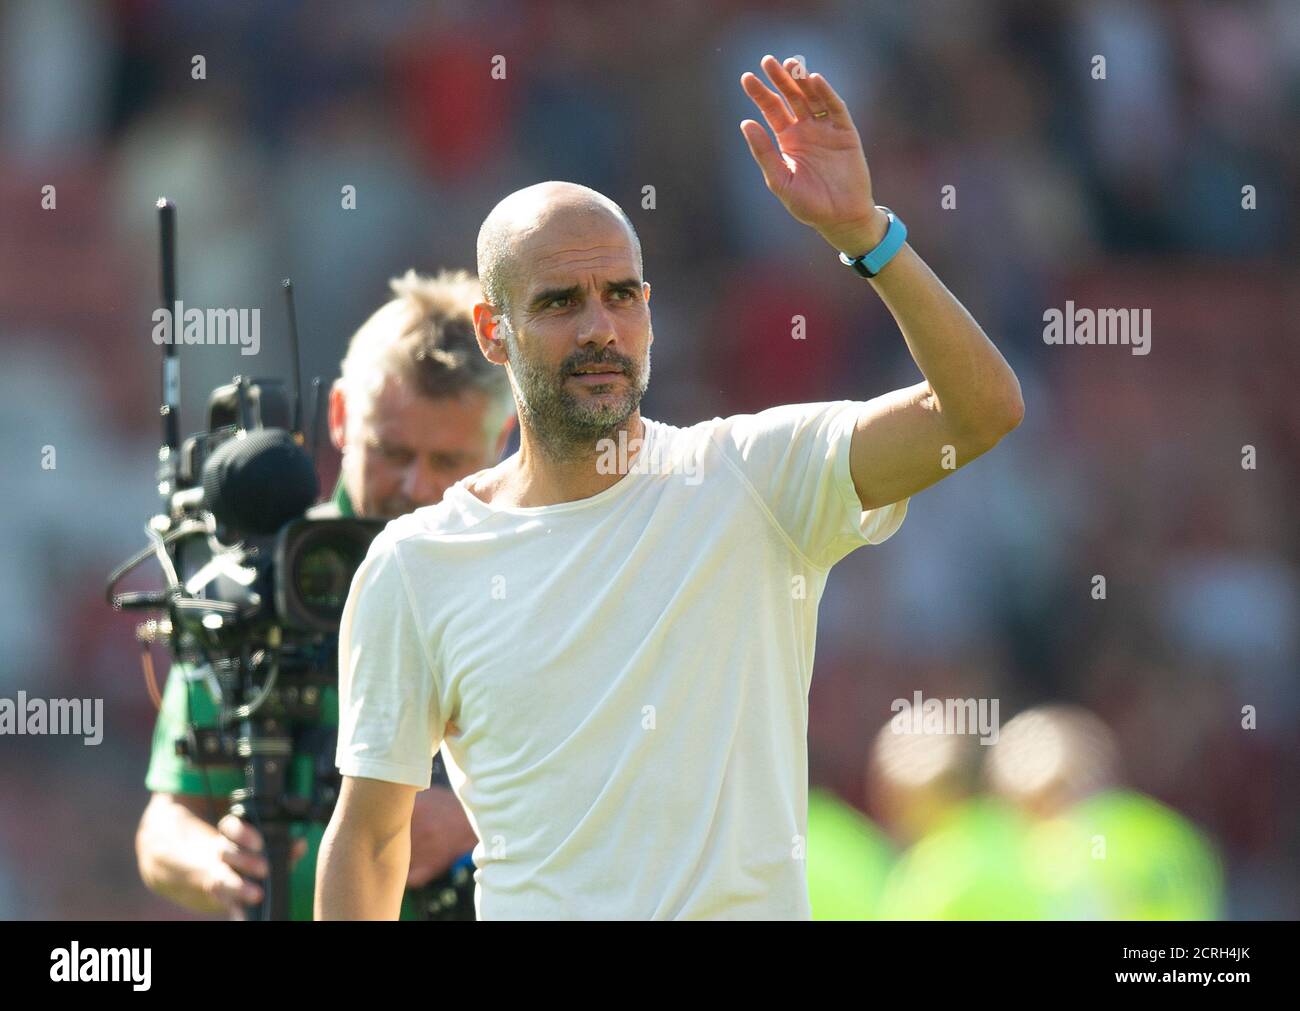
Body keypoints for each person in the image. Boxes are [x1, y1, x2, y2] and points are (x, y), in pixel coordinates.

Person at [316, 56, 1025, 920]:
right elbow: (371, 836)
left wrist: (866, 236)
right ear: (492, 333)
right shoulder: (415, 562)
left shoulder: (755, 478)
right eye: (560, 303)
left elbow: (981, 413)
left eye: (622, 295)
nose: (600, 328)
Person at [135, 269, 515, 919]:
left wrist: (476, 819)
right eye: (391, 451)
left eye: (448, 460)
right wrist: (217, 866)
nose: (416, 484)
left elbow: (623, 787)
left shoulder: (531, 580)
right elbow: (165, 823)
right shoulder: (264, 581)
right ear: (340, 415)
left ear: (503, 439)